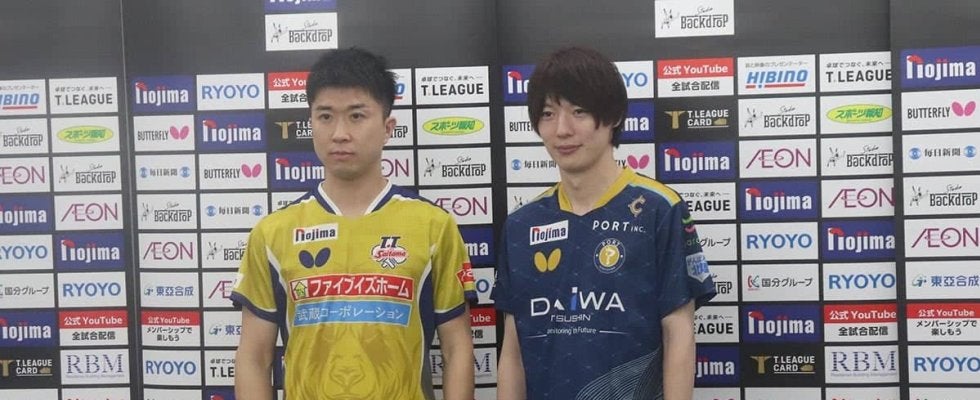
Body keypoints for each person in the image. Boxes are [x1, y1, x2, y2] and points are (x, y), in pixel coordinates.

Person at [232, 47, 476, 400]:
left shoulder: (433, 226)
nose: (340, 133)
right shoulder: (273, 233)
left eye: (357, 116)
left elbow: (457, 348)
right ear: (311, 123)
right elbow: (254, 357)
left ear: (387, 127)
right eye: (325, 116)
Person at [492, 46, 716, 400]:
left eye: (578, 111)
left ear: (614, 116)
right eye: (548, 113)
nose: (562, 129)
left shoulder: (660, 209)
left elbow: (679, 332)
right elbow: (513, 350)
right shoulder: (522, 224)